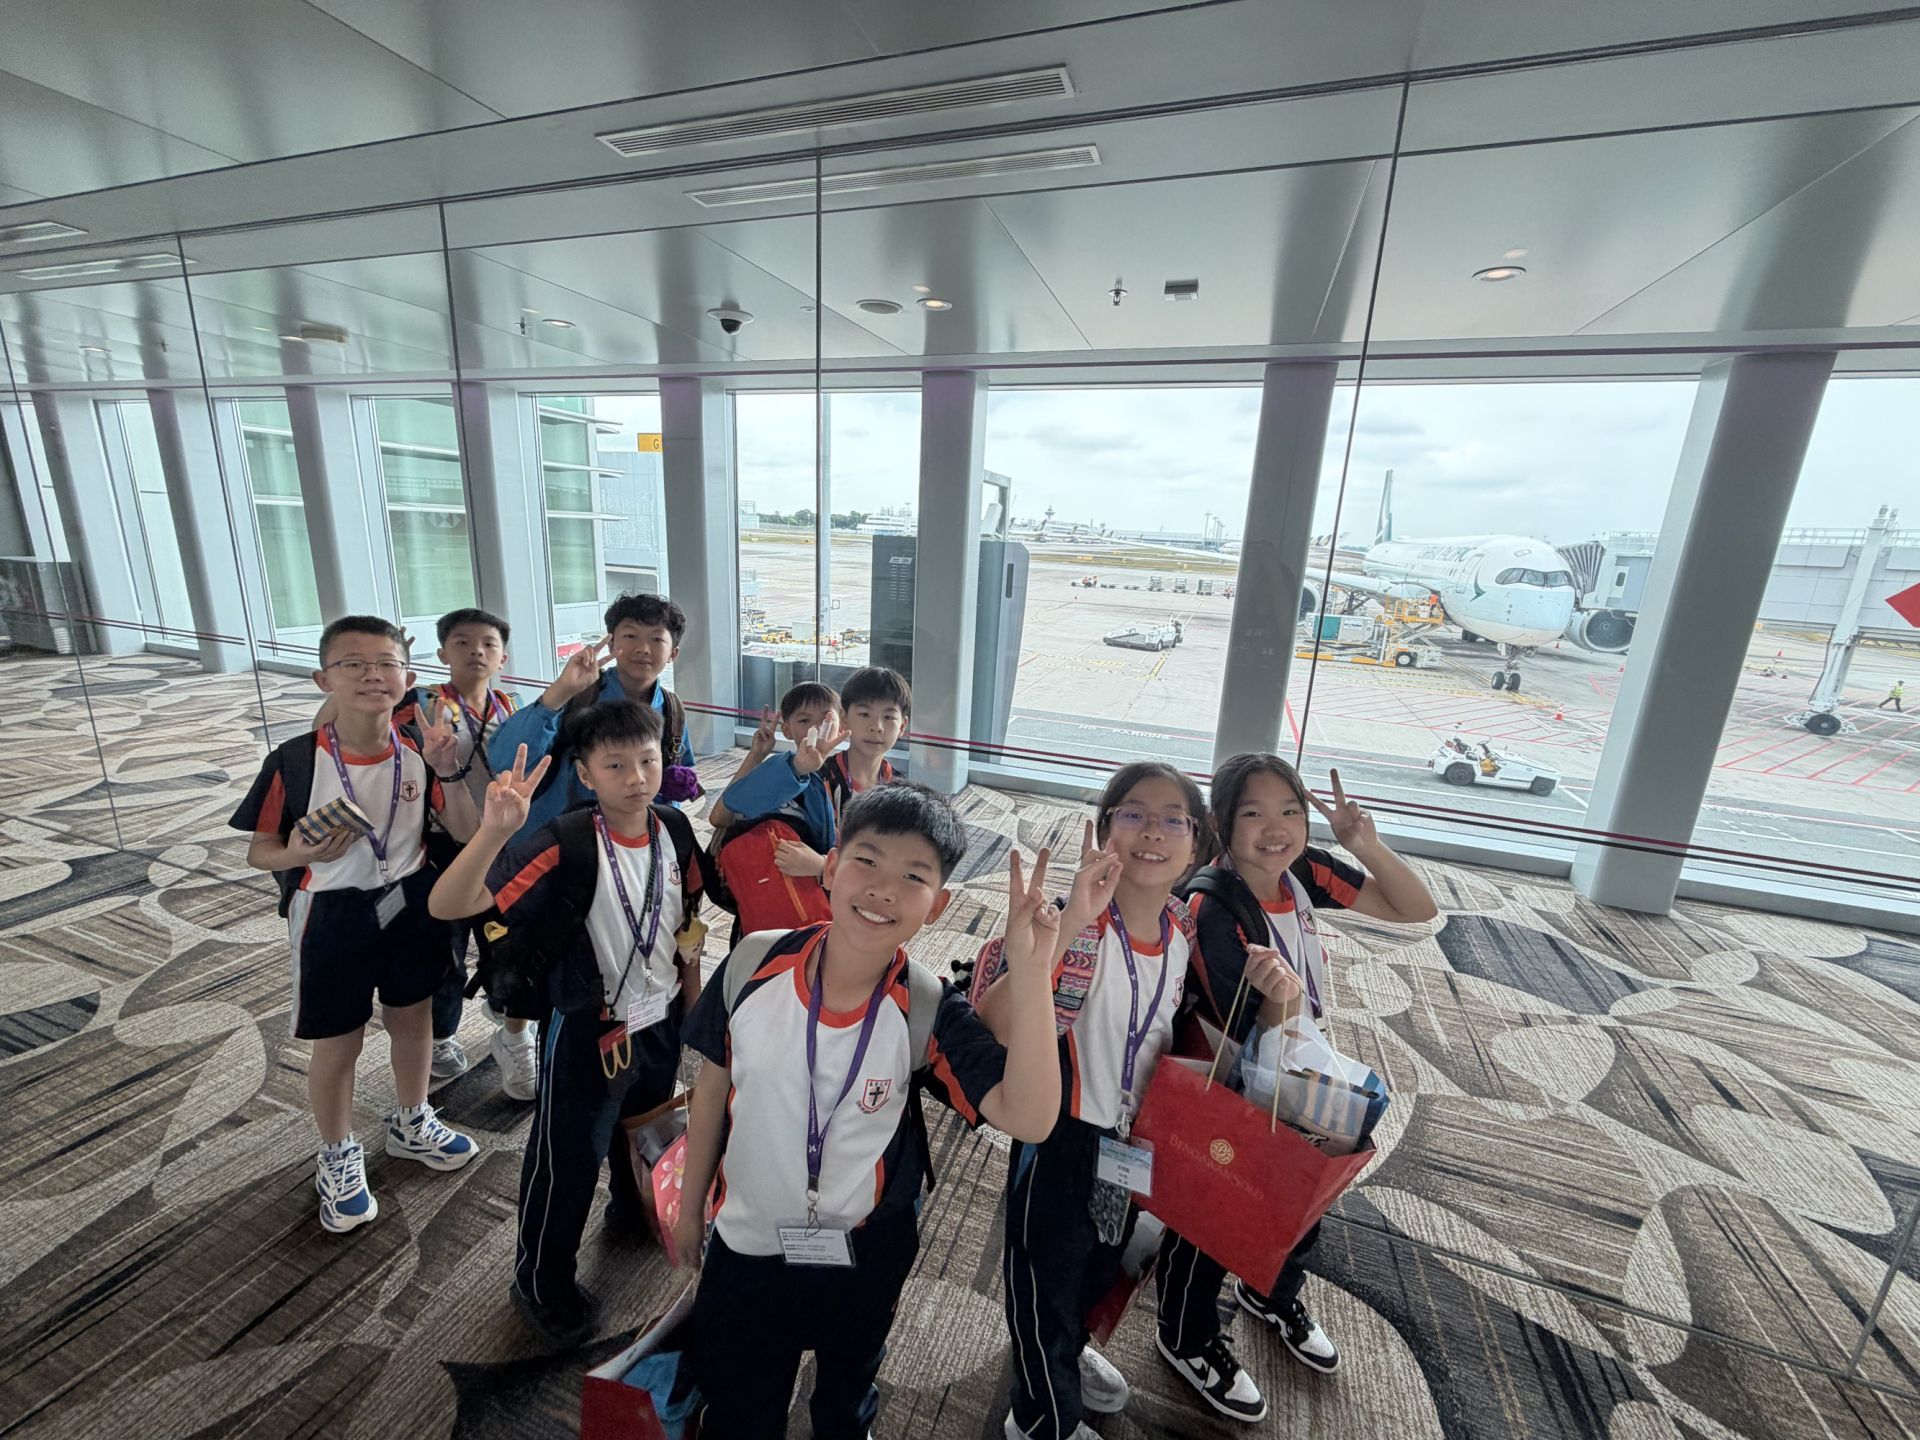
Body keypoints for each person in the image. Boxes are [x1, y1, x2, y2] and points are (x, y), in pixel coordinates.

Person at [673, 785, 1066, 1440]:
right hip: (745, 1240)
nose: (884, 889)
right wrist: (690, 1210)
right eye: (867, 861)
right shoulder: (752, 962)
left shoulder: (925, 1006)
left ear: (938, 907)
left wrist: (1031, 970)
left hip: (862, 1248)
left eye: (913, 876)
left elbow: (1030, 1117)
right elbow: (711, 1091)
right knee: (741, 1404)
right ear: (830, 868)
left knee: (847, 1388)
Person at [1154, 756, 1437, 1422]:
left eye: (1290, 811)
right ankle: (1183, 1334)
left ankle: (1269, 1290)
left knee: (1302, 1191)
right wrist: (1282, 1001)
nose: (1275, 829)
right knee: (1213, 1213)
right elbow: (1242, 1032)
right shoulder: (1212, 904)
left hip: (1298, 1062)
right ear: (1223, 822)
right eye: (1253, 813)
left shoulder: (1301, 872)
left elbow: (1416, 909)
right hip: (1231, 1081)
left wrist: (1364, 843)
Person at [429, 700, 709, 1346]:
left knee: (647, 1126)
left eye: (647, 761)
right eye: (615, 765)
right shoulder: (566, 842)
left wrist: (692, 1005)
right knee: (567, 1161)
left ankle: (632, 1210)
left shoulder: (673, 829)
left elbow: (689, 920)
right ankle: (541, 1281)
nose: (636, 778)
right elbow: (450, 903)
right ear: (585, 774)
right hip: (589, 1029)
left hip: (660, 1017)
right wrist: (493, 833)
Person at [230, 615, 481, 1235]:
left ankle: (412, 1118)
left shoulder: (421, 753)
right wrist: (297, 853)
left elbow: (466, 832)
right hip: (330, 911)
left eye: (386, 663)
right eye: (353, 664)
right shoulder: (295, 761)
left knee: (413, 1017)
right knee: (339, 1038)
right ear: (324, 679)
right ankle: (338, 1150)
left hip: (409, 901)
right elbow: (260, 850)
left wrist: (450, 770)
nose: (372, 674)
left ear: (408, 678)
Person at [971, 761, 1198, 1440]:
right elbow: (995, 1025)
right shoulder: (1080, 932)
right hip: (1060, 1134)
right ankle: (1042, 1416)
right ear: (1103, 833)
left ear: (1196, 847)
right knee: (1044, 1279)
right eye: (1133, 814)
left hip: (1129, 1140)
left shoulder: (1181, 928)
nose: (1152, 831)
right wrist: (1070, 921)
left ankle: (1063, 1359)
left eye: (1173, 819)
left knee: (1103, 1263)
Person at [408, 609, 540, 1099]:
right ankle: (442, 1034)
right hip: (443, 843)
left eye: (488, 643)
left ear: (503, 657)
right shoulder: (422, 705)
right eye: (462, 643)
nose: (476, 652)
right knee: (445, 947)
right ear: (443, 653)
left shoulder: (512, 705)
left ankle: (511, 1023)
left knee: (508, 941)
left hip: (502, 841)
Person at [487, 593, 697, 841]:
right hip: (557, 842)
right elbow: (505, 758)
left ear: (673, 653)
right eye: (630, 636)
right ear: (611, 644)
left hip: (630, 844)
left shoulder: (672, 711)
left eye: (656, 639)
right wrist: (561, 690)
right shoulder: (579, 696)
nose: (643, 648)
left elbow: (673, 779)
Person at [822, 665, 909, 815]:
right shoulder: (822, 778)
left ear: (902, 726)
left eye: (888, 717)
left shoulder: (900, 789)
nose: (876, 727)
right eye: (864, 714)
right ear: (844, 718)